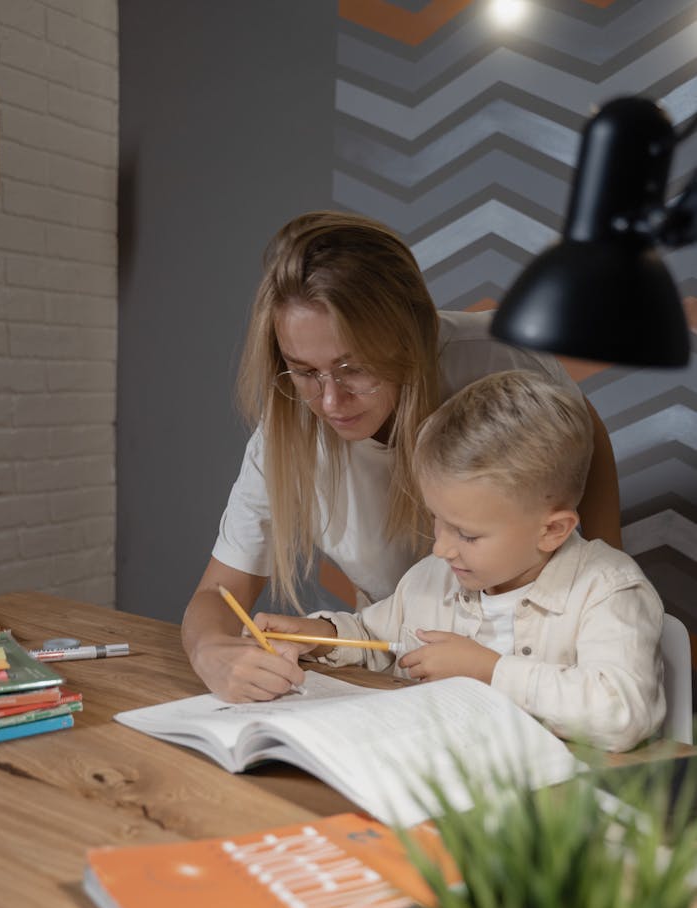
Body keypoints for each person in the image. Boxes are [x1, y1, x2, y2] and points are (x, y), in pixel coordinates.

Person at [182, 211, 622, 704]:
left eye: (354, 368)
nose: (330, 402)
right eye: (304, 372)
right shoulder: (285, 434)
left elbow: (584, 434)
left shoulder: (494, 360)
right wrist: (213, 653)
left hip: (538, 666)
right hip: (408, 664)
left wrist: (602, 574)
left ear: (410, 339)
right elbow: (218, 596)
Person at [255, 370, 665, 754]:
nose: (441, 548)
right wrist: (320, 634)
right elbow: (374, 639)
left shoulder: (607, 589)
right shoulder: (434, 579)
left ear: (552, 531)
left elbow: (622, 712)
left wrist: (489, 671)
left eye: (467, 534)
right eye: (437, 520)